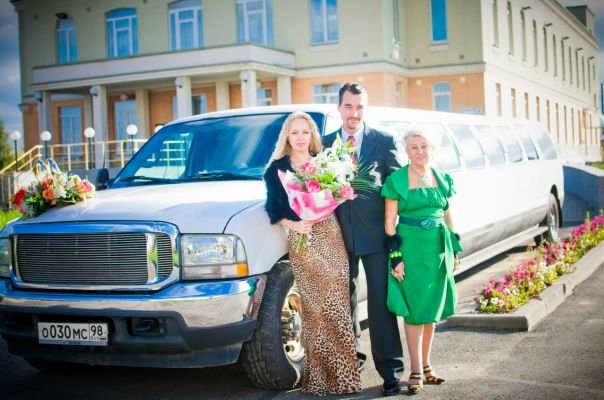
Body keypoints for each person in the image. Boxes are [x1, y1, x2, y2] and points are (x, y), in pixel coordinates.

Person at [263, 111, 362, 396]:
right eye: (294, 132)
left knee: (338, 306)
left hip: (330, 237)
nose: (300, 138)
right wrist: (296, 224)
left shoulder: (325, 161)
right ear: (287, 136)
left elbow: (339, 193)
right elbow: (273, 211)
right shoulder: (276, 169)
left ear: (312, 135)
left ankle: (345, 379)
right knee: (315, 309)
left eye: (305, 132)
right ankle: (319, 381)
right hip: (303, 241)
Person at [323, 82, 405, 396]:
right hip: (337, 236)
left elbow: (396, 189)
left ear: (365, 109)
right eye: (348, 106)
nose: (354, 113)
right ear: (339, 107)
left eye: (359, 107)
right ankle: (351, 363)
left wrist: (394, 233)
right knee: (344, 302)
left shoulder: (383, 141)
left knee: (381, 303)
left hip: (376, 236)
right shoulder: (325, 145)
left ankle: (391, 370)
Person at [381, 126, 462, 394]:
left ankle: (427, 367)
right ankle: (415, 370)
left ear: (432, 149)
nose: (420, 151)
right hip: (411, 251)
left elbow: (447, 216)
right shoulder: (397, 180)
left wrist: (454, 251)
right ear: (406, 151)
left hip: (437, 250)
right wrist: (396, 258)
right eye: (414, 147)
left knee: (431, 311)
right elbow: (389, 224)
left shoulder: (441, 178)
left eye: (424, 146)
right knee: (415, 311)